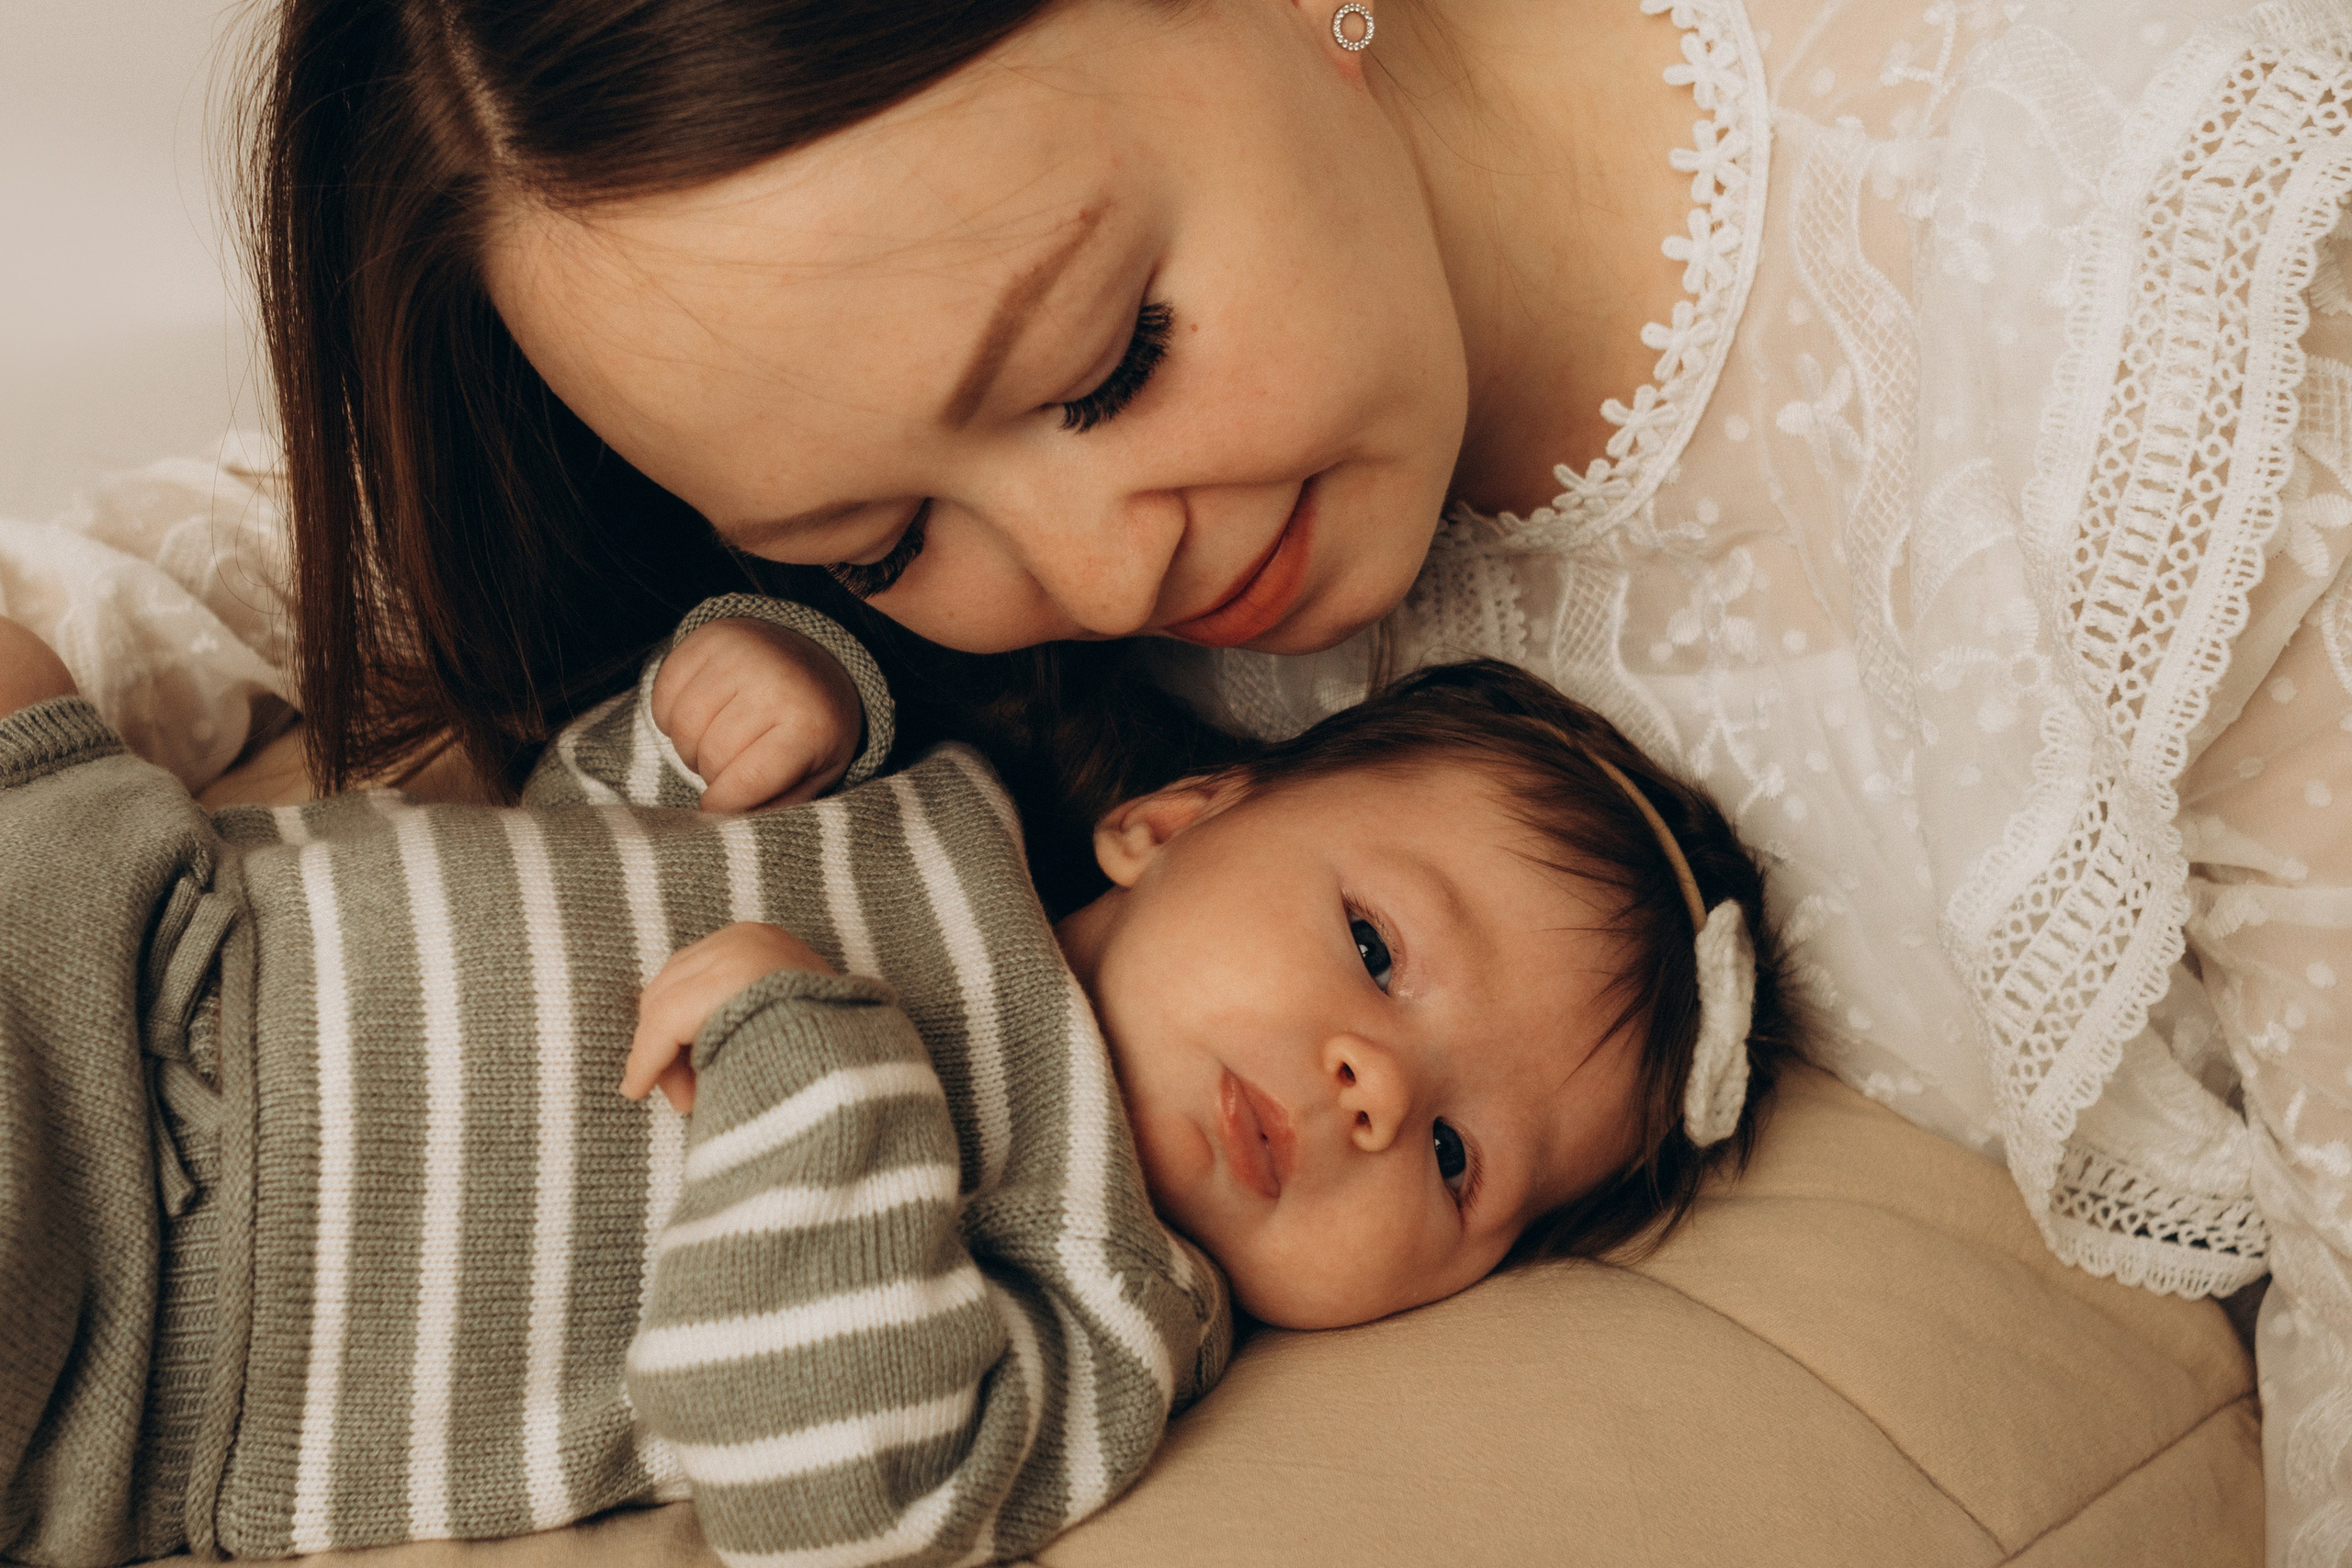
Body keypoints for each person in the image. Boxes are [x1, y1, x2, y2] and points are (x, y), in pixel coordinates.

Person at [2, 0, 2341, 1552]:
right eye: (886, 538)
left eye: (1110, 363)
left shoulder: (2144, 304)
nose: (1099, 565)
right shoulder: (922, 581)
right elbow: (320, 547)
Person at [0, 601, 1797, 1567]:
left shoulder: (1106, 1299)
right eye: (1377, 949)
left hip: (160, 1296)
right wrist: (754, 693)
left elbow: (829, 1491)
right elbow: (582, 815)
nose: (1372, 1091)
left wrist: (819, 1067)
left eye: (1465, 1155)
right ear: (1173, 817)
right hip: (145, 903)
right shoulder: (930, 806)